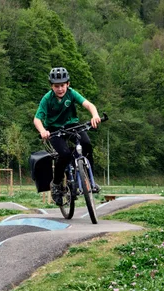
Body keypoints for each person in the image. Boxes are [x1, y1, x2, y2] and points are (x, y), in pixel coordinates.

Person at [33, 67, 102, 206]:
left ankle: (89, 179)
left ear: (68, 84)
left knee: (86, 144)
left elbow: (88, 104)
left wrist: (95, 115)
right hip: (54, 129)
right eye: (56, 86)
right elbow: (37, 119)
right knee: (64, 154)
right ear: (52, 86)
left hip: (71, 125)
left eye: (62, 85)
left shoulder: (71, 94)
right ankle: (57, 184)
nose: (60, 89)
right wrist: (42, 130)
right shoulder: (47, 99)